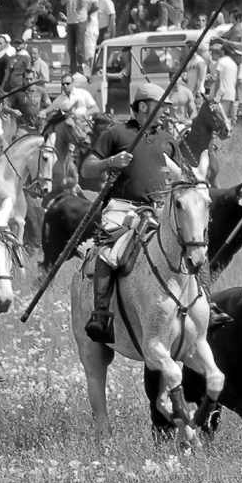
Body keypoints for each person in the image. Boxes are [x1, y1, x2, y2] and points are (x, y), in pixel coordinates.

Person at [79, 82, 182, 344]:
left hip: (160, 209)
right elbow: (87, 169)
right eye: (161, 107)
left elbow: (182, 177)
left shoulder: (168, 139)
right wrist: (111, 162)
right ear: (145, 106)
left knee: (189, 244)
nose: (165, 112)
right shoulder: (116, 133)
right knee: (107, 248)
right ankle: (101, 313)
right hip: (123, 209)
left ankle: (204, 304)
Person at [61, 0, 96, 76]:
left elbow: (83, 5)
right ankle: (72, 70)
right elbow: (62, 2)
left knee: (79, 48)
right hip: (70, 22)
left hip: (80, 21)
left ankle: (80, 69)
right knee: (71, 48)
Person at [212, 39, 238, 119]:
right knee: (229, 119)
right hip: (231, 94)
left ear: (223, 51)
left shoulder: (221, 61)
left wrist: (215, 96)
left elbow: (218, 80)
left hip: (223, 94)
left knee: (220, 118)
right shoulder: (234, 63)